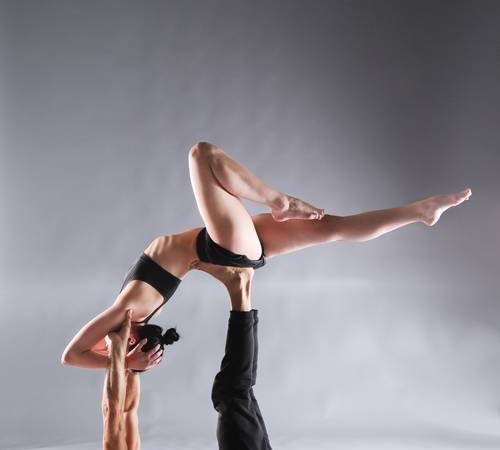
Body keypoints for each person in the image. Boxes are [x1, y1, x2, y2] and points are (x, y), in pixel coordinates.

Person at [61, 141, 471, 372]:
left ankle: (420, 211)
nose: (99, 341)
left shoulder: (133, 316)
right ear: (126, 339)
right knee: (201, 155)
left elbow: (86, 353)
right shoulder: (125, 314)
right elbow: (71, 355)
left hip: (226, 245)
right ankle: (282, 200)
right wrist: (127, 363)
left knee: (336, 228)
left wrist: (126, 362)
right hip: (223, 245)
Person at [46, 264, 280, 450]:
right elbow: (110, 414)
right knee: (231, 391)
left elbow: (126, 411)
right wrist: (116, 352)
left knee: (239, 390)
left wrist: (131, 365)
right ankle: (239, 291)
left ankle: (242, 291)